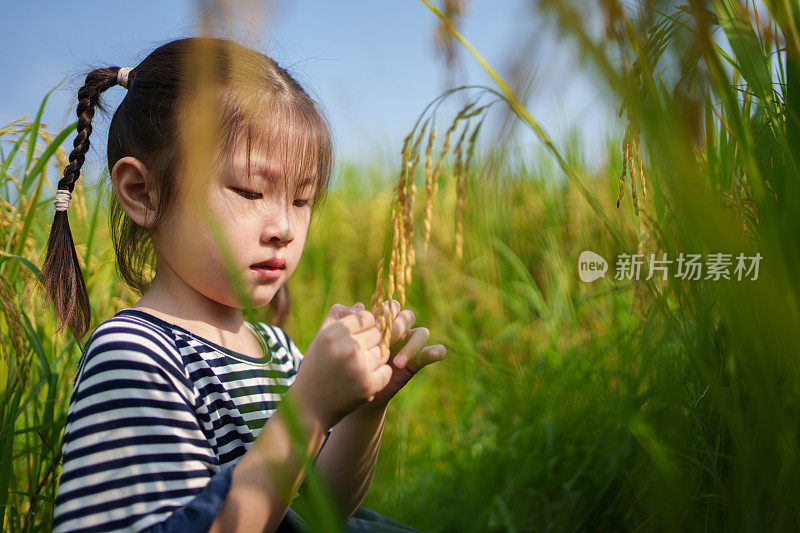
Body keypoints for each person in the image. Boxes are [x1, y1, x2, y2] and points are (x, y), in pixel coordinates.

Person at [40, 37, 447, 532]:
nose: (285, 227)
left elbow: (320, 516)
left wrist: (365, 408)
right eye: (250, 190)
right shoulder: (134, 355)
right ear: (143, 193)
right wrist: (308, 408)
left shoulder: (277, 350)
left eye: (302, 200)